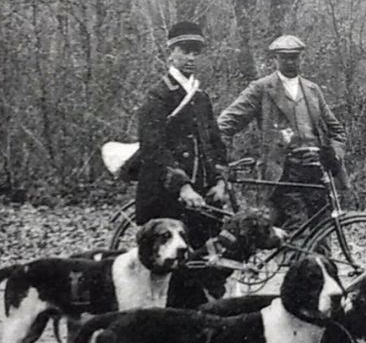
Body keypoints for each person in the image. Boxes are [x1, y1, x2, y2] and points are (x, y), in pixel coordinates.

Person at [217, 34, 347, 232]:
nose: (290, 61)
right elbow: (226, 123)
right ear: (274, 60)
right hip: (284, 171)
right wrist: (220, 157)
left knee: (323, 227)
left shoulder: (312, 90)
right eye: (284, 57)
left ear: (300, 58)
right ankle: (296, 263)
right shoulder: (262, 89)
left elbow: (336, 131)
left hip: (315, 170)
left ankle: (323, 263)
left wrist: (334, 155)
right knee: (296, 227)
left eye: (294, 56)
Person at [133, 20, 230, 252]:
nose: (191, 57)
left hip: (204, 196)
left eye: (195, 52)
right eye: (184, 50)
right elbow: (153, 149)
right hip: (167, 196)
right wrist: (183, 186)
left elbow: (215, 144)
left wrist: (220, 182)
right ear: (171, 53)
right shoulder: (157, 97)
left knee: (207, 262)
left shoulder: (201, 97)